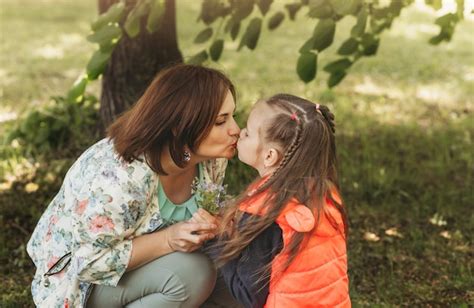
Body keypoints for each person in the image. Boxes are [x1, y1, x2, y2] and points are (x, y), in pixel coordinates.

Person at [26, 64, 241, 308]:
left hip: (154, 268)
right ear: (180, 125)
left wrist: (220, 221)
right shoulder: (119, 176)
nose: (235, 130)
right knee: (192, 274)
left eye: (233, 116)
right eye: (221, 121)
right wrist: (170, 239)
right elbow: (89, 263)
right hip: (80, 285)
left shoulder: (211, 160)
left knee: (240, 275)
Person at [196, 94, 350, 307]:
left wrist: (216, 240)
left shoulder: (266, 214)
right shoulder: (324, 197)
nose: (240, 133)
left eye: (248, 133)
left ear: (269, 156)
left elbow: (249, 296)